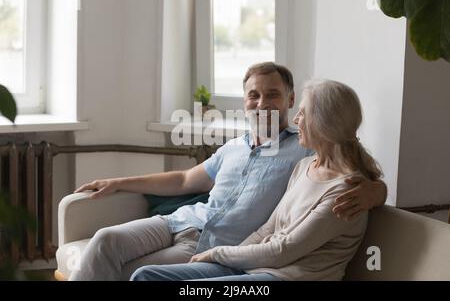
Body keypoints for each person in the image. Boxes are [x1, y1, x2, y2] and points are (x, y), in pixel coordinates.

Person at [69, 63, 386, 281]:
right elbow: (183, 180)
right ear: (245, 101)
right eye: (253, 95)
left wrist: (376, 191)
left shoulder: (304, 149)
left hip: (211, 244)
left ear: (290, 100)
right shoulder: (235, 148)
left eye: (273, 95)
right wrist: (118, 182)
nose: (262, 103)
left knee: (137, 273)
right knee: (105, 239)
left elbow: (349, 167)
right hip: (182, 221)